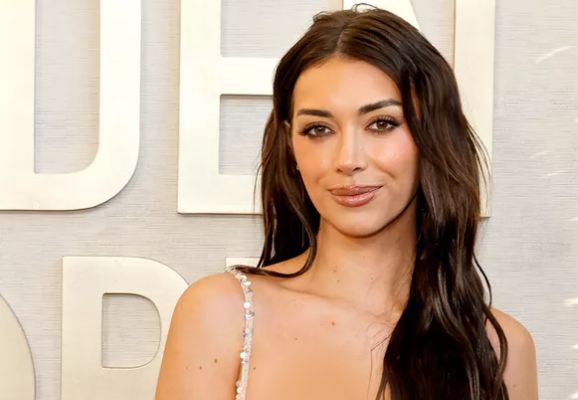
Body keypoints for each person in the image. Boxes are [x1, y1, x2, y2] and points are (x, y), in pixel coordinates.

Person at [155, 5, 538, 400]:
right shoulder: (222, 315)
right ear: (290, 146)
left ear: (432, 135)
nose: (348, 159)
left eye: (382, 124)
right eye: (318, 129)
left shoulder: (501, 350)